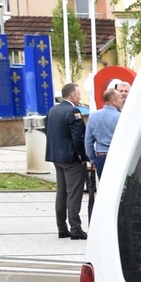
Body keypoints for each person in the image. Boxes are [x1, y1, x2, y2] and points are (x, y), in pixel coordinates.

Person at [45, 82, 88, 239]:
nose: (80, 97)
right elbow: (78, 137)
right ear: (72, 95)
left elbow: (47, 130)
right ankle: (75, 228)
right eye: (79, 94)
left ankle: (62, 227)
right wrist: (83, 156)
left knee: (61, 193)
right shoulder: (73, 111)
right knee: (74, 194)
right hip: (71, 159)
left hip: (57, 157)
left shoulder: (53, 110)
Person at [84, 87, 119, 177]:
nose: (122, 101)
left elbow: (88, 141)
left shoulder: (93, 116)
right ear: (113, 101)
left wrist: (92, 159)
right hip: (116, 157)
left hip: (101, 157)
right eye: (119, 99)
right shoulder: (120, 117)